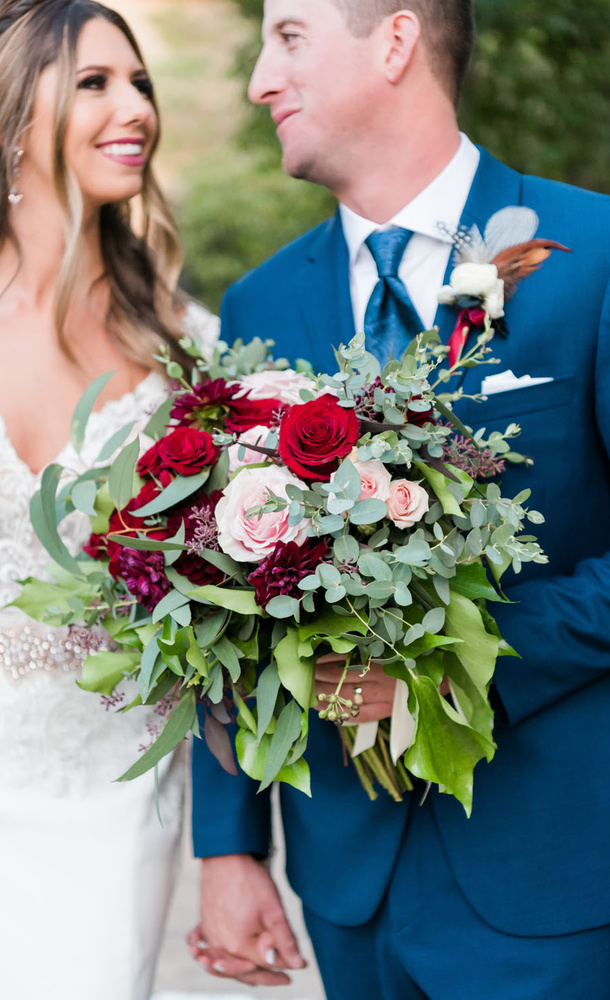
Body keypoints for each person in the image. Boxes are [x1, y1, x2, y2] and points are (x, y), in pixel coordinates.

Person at [189, 1, 610, 997]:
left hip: (553, 878)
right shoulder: (257, 306)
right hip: (348, 882)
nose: (260, 81)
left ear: (395, 40)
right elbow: (216, 589)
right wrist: (229, 842)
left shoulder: (587, 255)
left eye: (287, 38)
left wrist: (454, 664)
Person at [0, 2, 217, 998]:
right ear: (14, 118)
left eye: (139, 81)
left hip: (107, 794)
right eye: (96, 82)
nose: (134, 105)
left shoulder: (192, 351)